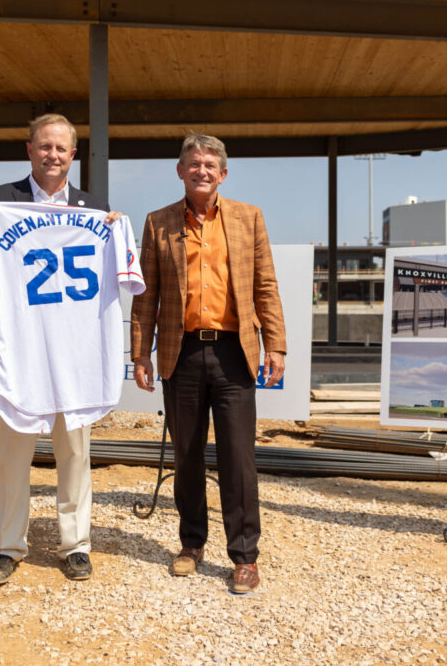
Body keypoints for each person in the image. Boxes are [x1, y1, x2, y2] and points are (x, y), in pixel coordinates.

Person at [0, 113, 119, 585]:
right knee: (10, 457)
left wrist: (114, 228)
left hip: (73, 357)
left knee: (74, 454)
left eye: (61, 148)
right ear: (29, 150)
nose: (52, 155)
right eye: (44, 146)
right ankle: (6, 547)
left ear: (74, 155)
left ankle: (76, 545)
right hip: (16, 355)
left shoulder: (95, 210)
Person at [130, 134, 286, 594]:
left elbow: (266, 286)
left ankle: (244, 556)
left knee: (239, 458)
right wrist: (141, 351)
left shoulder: (248, 218)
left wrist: (276, 345)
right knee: (187, 455)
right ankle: (191, 544)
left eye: (210, 164)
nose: (202, 170)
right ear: (180, 171)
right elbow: (146, 296)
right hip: (182, 353)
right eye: (193, 163)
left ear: (223, 173)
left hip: (235, 353)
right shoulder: (158, 223)